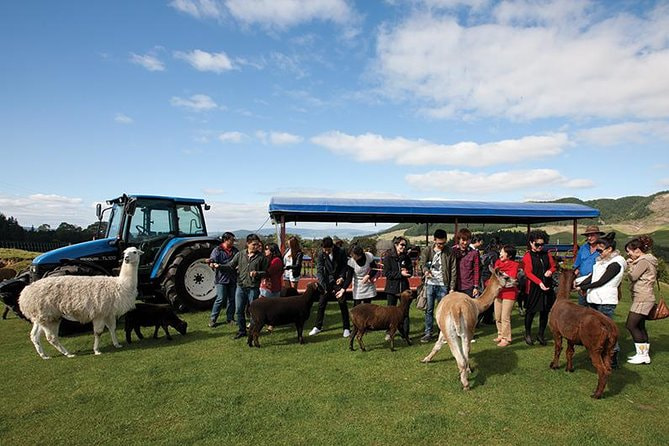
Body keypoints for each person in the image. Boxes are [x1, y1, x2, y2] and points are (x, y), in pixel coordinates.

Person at [574, 232, 626, 368]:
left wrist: (583, 286)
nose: (597, 253)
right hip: (595, 299)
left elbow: (601, 281)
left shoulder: (616, 263)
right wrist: (578, 284)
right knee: (596, 330)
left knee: (608, 330)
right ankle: (598, 354)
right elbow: (592, 276)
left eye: (600, 250)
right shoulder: (601, 261)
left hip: (605, 301)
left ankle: (613, 356)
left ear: (609, 250)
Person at [219, 233, 268, 339]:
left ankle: (253, 331)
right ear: (248, 244)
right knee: (239, 310)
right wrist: (219, 266)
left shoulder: (261, 257)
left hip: (253, 288)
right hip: (240, 286)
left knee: (254, 312)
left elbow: (266, 272)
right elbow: (230, 265)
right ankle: (242, 331)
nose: (256, 247)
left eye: (257, 245)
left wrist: (257, 273)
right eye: (254, 244)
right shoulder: (240, 254)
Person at [624, 235, 658, 365]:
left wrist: (630, 266)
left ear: (638, 250)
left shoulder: (643, 261)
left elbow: (633, 276)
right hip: (644, 297)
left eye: (630, 251)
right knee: (640, 326)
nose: (629, 254)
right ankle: (644, 354)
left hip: (642, 298)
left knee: (631, 325)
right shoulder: (649, 260)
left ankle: (642, 354)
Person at [309, 236, 351, 337]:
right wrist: (323, 286)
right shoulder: (321, 254)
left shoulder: (341, 251)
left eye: (328, 250)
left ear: (332, 246)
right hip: (326, 281)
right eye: (324, 250)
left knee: (342, 302)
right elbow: (319, 270)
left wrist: (341, 277)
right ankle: (318, 327)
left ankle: (346, 328)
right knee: (321, 303)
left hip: (338, 281)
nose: (326, 252)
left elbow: (345, 266)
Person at [420, 229, 456, 343]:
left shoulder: (449, 252)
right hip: (430, 284)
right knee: (429, 310)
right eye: (439, 243)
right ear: (434, 240)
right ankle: (428, 332)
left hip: (443, 284)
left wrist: (452, 287)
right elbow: (422, 264)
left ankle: (443, 333)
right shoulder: (427, 250)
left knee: (444, 311)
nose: (441, 245)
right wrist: (426, 271)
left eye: (443, 243)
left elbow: (453, 270)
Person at [521, 230, 556, 346]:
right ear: (531, 243)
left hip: (547, 286)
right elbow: (528, 273)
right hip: (533, 288)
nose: (540, 247)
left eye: (542, 244)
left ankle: (541, 334)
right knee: (531, 312)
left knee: (545, 312)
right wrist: (539, 282)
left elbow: (553, 266)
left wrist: (550, 271)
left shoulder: (547, 254)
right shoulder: (527, 256)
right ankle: (528, 334)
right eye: (537, 244)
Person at [383, 236, 414, 338]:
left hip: (404, 289)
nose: (403, 247)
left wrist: (408, 273)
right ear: (396, 245)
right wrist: (400, 274)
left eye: (405, 245)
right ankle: (389, 332)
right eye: (401, 245)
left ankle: (405, 334)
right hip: (391, 289)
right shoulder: (388, 257)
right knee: (390, 313)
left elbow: (411, 271)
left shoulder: (407, 257)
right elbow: (386, 273)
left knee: (405, 313)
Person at [208, 232, 238, 328]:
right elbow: (212, 260)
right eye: (232, 240)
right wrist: (212, 263)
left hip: (232, 278)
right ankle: (213, 319)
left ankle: (230, 318)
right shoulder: (217, 250)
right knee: (220, 299)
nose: (233, 241)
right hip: (221, 279)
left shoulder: (235, 250)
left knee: (232, 299)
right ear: (226, 240)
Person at [492, 245, 519, 347]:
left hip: (509, 293)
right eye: (500, 252)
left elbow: (511, 278)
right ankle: (500, 334)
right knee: (497, 316)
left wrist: (501, 275)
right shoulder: (498, 263)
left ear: (509, 255)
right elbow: (495, 276)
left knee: (505, 317)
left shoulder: (514, 265)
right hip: (498, 292)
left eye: (502, 252)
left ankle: (506, 338)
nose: (500, 254)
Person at [573, 225, 605, 306]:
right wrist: (574, 279)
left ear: (598, 235)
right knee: (582, 308)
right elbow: (577, 266)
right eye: (588, 236)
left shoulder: (603, 249)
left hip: (596, 282)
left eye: (592, 235)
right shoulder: (583, 248)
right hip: (583, 282)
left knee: (595, 309)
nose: (589, 238)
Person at [452, 228, 480, 298]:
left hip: (468, 286)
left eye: (467, 240)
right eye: (463, 240)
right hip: (454, 286)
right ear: (459, 239)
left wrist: (475, 286)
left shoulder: (474, 253)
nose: (465, 242)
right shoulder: (452, 251)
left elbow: (476, 270)